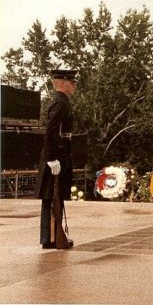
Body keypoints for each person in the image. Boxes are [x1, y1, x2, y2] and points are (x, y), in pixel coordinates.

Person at [35, 69, 77, 249]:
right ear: (61, 83)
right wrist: (52, 158)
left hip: (60, 152)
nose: (74, 85)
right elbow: (51, 131)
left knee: (56, 195)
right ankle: (51, 238)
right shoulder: (60, 104)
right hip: (56, 154)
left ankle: (53, 236)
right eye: (71, 82)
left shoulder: (62, 102)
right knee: (52, 196)